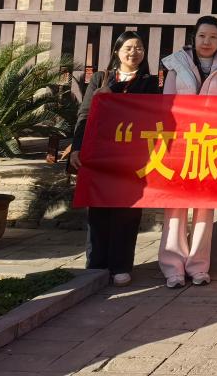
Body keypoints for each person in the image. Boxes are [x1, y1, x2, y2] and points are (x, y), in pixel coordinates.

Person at [70, 32, 160, 287]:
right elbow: (85, 114)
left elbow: (151, 116)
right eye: (128, 48)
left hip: (132, 158)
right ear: (117, 52)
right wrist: (77, 148)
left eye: (139, 48)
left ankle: (121, 265)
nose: (134, 52)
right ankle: (96, 265)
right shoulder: (100, 79)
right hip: (101, 155)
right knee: (98, 209)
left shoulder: (149, 82)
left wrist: (114, 95)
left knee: (127, 211)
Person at [158, 16, 217, 288]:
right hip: (180, 143)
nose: (207, 42)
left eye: (213, 37)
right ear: (194, 37)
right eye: (202, 36)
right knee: (175, 205)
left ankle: (198, 266)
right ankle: (173, 267)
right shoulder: (176, 63)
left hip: (211, 143)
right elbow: (167, 104)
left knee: (205, 206)